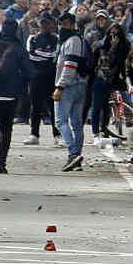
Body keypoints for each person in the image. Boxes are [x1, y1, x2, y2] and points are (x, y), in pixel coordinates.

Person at [0, 18, 33, 174]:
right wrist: (19, 82)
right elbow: (30, 72)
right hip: (9, 94)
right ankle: (1, 162)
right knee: (6, 128)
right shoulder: (18, 48)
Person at [54, 12, 90, 172]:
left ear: (73, 24)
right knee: (76, 123)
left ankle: (73, 153)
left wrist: (60, 87)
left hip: (70, 86)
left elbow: (70, 65)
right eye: (61, 24)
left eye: (67, 24)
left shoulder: (72, 41)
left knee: (60, 121)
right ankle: (76, 159)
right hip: (80, 85)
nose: (63, 27)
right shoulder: (76, 39)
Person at [89, 21, 129, 142]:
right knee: (97, 106)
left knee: (106, 108)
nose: (114, 37)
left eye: (116, 35)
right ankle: (96, 133)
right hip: (101, 80)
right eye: (111, 34)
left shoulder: (122, 48)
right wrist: (112, 47)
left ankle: (104, 129)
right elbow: (106, 62)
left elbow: (121, 63)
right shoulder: (103, 47)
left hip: (112, 82)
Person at [25, 15, 61, 146]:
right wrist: (47, 55)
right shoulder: (32, 39)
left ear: (52, 24)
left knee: (54, 107)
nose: (45, 26)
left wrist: (42, 53)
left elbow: (56, 56)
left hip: (52, 77)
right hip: (36, 77)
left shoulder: (57, 39)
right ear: (39, 24)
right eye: (43, 23)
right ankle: (34, 134)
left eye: (48, 23)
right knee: (35, 106)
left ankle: (57, 134)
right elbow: (31, 55)